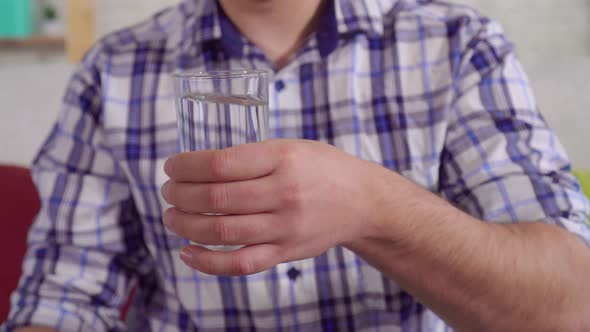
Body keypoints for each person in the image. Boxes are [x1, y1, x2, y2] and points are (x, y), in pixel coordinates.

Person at [4, 0, 590, 331]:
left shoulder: (460, 44)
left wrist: (373, 206)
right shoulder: (113, 70)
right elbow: (62, 300)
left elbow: (569, 307)